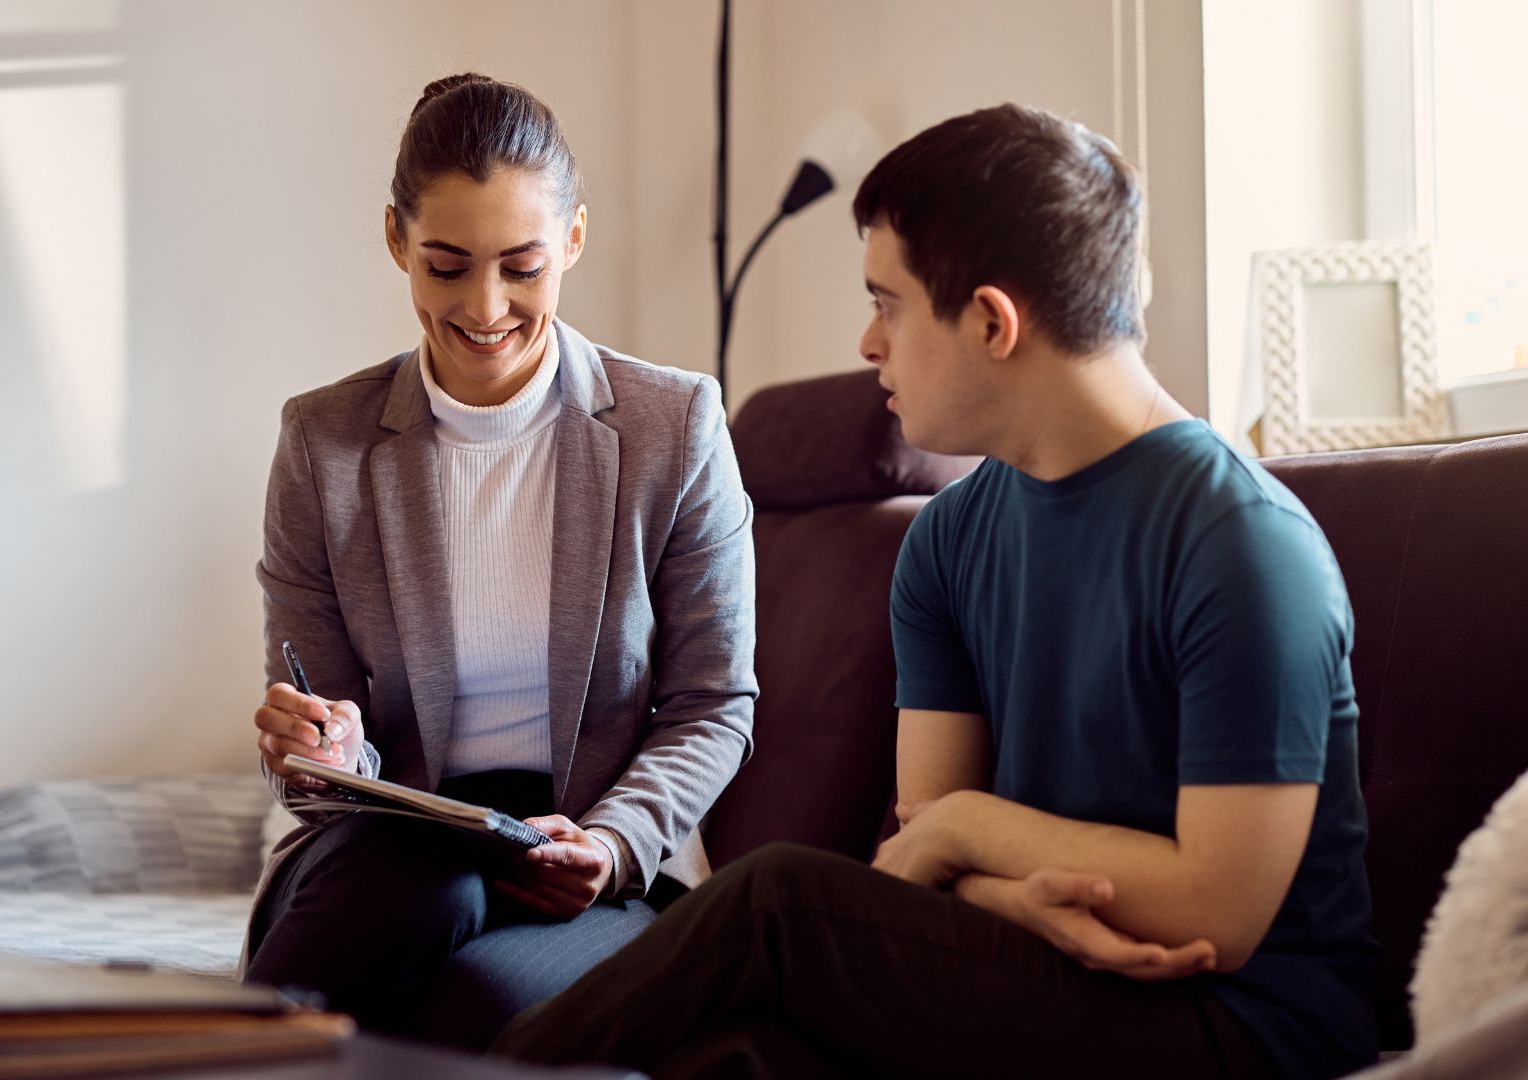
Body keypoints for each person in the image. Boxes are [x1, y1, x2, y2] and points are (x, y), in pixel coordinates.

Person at [494, 104, 1378, 1079]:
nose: (867, 341)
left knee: (775, 903)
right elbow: (923, 873)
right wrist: (988, 885)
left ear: (993, 322)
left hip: (1241, 1028)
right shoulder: (949, 541)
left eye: (889, 302)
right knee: (742, 1053)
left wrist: (964, 835)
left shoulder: (1242, 545)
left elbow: (1215, 912)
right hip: (1047, 966)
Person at [240, 73, 756, 1049]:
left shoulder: (674, 428)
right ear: (396, 240)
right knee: (415, 888)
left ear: (574, 240)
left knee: (485, 1002)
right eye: (446, 266)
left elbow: (713, 703)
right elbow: (319, 732)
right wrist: (327, 749)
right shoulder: (324, 443)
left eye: (522, 266)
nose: (486, 307)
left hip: (592, 869)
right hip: (380, 863)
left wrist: (609, 843)